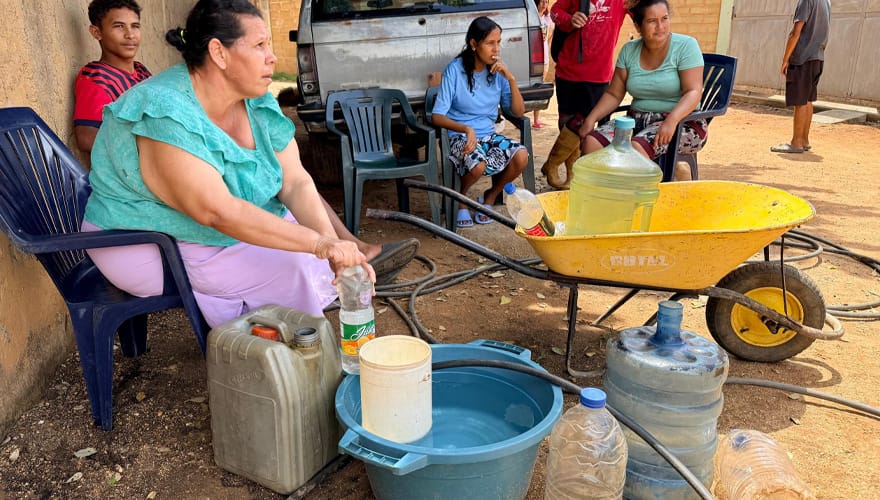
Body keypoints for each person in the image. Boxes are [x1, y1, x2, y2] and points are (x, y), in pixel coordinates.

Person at [80, 0, 415, 327]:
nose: (272, 57)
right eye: (259, 46)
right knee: (293, 263)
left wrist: (334, 249)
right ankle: (288, 344)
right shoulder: (166, 111)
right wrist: (320, 245)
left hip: (198, 224)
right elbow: (216, 211)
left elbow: (294, 181)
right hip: (139, 240)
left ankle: (291, 330)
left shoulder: (254, 99)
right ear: (219, 53)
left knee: (301, 243)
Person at [579, 0, 705, 179]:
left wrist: (672, 121)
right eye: (652, 21)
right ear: (638, 26)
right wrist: (591, 119)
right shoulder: (629, 50)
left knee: (636, 151)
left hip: (682, 123)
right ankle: (603, 192)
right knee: (592, 143)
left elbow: (693, 91)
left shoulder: (686, 46)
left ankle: (638, 195)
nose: (660, 27)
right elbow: (614, 93)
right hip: (636, 120)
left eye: (664, 18)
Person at [430, 16, 529, 228]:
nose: (496, 49)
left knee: (521, 156)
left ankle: (490, 197)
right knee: (477, 165)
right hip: (460, 136)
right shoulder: (455, 70)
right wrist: (466, 129)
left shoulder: (498, 71)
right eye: (490, 43)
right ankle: (460, 199)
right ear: (474, 44)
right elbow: (436, 116)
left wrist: (511, 79)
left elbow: (518, 111)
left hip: (488, 136)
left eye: (498, 42)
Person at [542, 0, 631, 189]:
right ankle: (572, 175)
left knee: (583, 125)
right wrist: (570, 19)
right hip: (567, 72)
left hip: (598, 77)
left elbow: (643, 12)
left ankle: (552, 164)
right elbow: (555, 11)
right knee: (566, 124)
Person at [73, 0, 151, 155]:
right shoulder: (96, 77)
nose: (130, 35)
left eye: (135, 26)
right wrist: (147, 147)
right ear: (97, 32)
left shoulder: (142, 72)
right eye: (119, 26)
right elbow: (86, 139)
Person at [770, 0, 830, 154]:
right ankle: (804, 140)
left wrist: (785, 59)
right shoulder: (826, 2)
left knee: (800, 100)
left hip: (803, 57)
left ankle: (796, 143)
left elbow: (796, 32)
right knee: (808, 100)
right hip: (818, 57)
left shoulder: (806, 1)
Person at [532, 0, 554, 129]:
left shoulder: (547, 19)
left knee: (540, 86)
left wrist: (547, 46)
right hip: (532, 57)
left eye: (547, 2)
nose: (544, 5)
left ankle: (536, 119)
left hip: (543, 57)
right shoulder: (532, 17)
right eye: (542, 2)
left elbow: (552, 33)